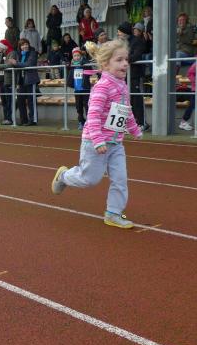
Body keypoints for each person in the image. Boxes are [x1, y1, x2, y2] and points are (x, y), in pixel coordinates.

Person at [50, 39, 143, 229]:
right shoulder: (102, 87)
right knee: (89, 179)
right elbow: (92, 116)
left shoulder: (123, 86)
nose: (125, 63)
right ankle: (64, 176)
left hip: (116, 143)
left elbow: (126, 111)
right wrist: (98, 140)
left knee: (120, 179)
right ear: (105, 65)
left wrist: (134, 129)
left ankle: (113, 213)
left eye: (126, 59)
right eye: (119, 60)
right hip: (95, 142)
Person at [117, 22, 149, 130]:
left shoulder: (137, 41)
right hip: (124, 75)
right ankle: (130, 123)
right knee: (126, 99)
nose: (118, 34)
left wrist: (122, 59)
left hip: (135, 75)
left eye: (119, 32)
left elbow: (136, 56)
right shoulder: (121, 43)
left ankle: (142, 123)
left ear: (125, 32)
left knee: (137, 99)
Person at [9, 38, 39, 126]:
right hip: (21, 81)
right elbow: (16, 65)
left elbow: (28, 64)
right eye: (22, 45)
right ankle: (23, 120)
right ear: (20, 47)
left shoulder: (33, 53)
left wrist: (16, 63)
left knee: (31, 101)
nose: (25, 46)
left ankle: (33, 120)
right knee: (20, 100)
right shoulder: (19, 54)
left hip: (30, 80)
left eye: (26, 44)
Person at [66, 46, 93, 130]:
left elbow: (90, 70)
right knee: (78, 107)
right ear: (73, 57)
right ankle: (81, 122)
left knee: (87, 106)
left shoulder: (85, 63)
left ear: (81, 56)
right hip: (77, 90)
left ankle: (89, 122)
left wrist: (83, 62)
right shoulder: (72, 65)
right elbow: (68, 72)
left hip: (85, 89)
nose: (77, 57)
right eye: (75, 56)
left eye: (78, 55)